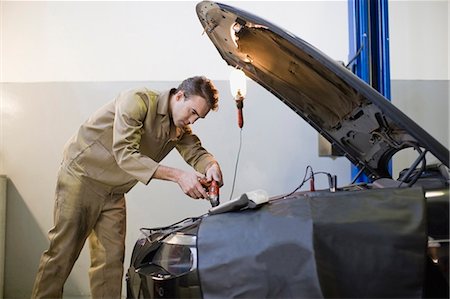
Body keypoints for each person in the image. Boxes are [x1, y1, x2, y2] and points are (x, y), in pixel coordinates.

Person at [32, 76, 223, 298]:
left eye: (198, 117)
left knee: (111, 262)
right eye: (192, 112)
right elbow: (124, 154)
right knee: (62, 254)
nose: (192, 120)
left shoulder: (179, 127)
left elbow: (196, 151)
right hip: (82, 178)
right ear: (179, 96)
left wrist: (211, 165)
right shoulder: (138, 101)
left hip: (114, 192)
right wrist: (178, 176)